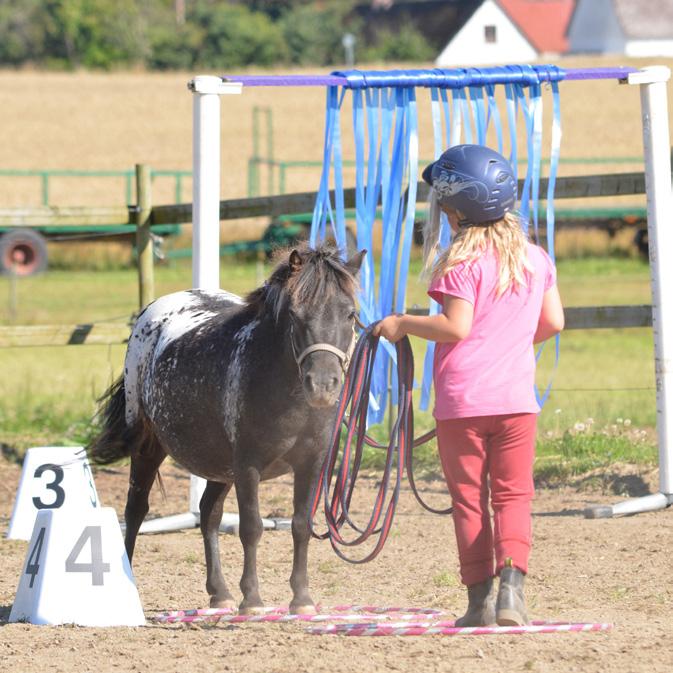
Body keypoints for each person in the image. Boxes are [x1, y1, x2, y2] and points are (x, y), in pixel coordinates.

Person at [373, 144, 564, 627]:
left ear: (454, 210)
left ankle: (478, 601)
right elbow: (554, 322)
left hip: (464, 404)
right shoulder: (536, 258)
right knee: (514, 495)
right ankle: (513, 595)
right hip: (518, 401)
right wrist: (512, 341)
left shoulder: (459, 263)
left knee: (469, 500)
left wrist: (403, 323)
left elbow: (456, 327)